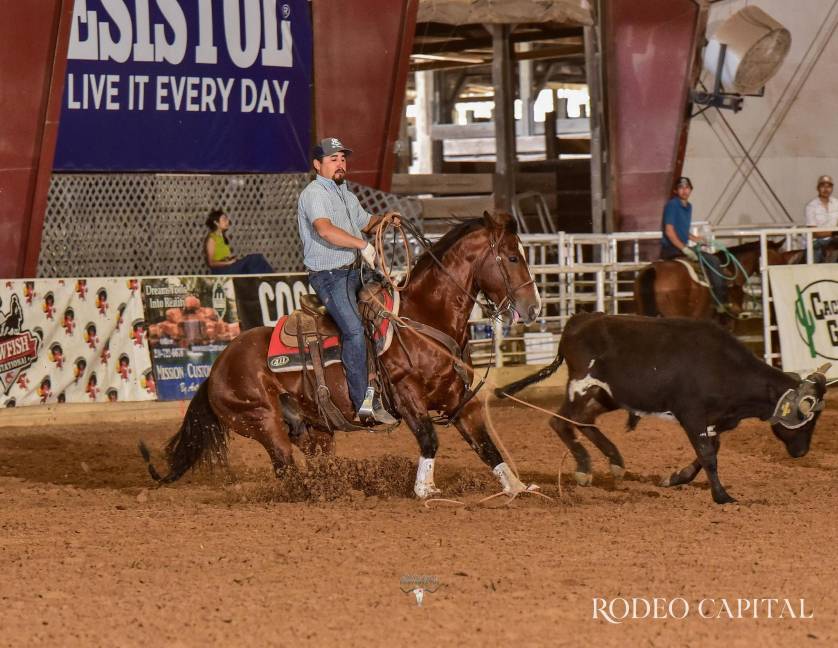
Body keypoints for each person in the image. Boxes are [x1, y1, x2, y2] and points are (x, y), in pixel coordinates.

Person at [297, 136, 400, 425]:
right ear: (318, 165)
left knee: (393, 304)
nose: (340, 163)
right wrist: (362, 245)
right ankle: (363, 402)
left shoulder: (346, 194)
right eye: (333, 159)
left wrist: (385, 220)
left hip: (354, 272)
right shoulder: (314, 194)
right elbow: (325, 230)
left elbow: (366, 222)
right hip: (329, 277)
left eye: (342, 158)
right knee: (354, 330)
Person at [660, 176, 735, 313]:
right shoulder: (672, 205)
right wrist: (684, 248)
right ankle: (720, 300)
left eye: (687, 188)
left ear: (691, 190)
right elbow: (669, 231)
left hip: (681, 247)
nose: (684, 191)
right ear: (676, 191)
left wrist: (695, 238)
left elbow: (680, 229)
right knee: (713, 260)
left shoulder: (688, 207)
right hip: (673, 249)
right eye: (681, 188)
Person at [205, 209, 275, 275]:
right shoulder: (212, 239)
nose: (227, 221)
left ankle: (268, 278)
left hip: (229, 267)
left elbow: (224, 257)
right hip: (221, 271)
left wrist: (232, 260)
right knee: (254, 258)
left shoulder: (222, 238)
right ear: (216, 222)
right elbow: (211, 263)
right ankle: (272, 277)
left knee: (255, 264)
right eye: (224, 219)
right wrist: (228, 263)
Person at [804, 175, 838, 263]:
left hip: (835, 238)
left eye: (829, 186)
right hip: (818, 241)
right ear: (818, 188)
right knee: (815, 254)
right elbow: (814, 232)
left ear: (832, 188)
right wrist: (833, 233)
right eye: (823, 186)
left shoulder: (836, 203)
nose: (826, 189)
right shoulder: (811, 206)